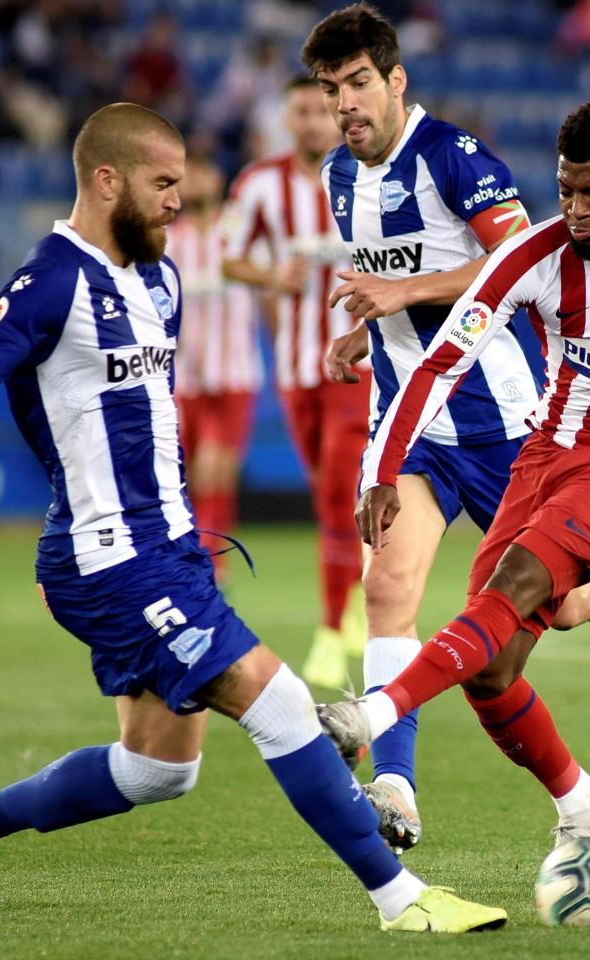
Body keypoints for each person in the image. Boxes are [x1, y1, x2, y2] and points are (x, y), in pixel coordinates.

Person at [0, 103, 506, 934]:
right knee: (277, 705)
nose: (181, 199)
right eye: (163, 184)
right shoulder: (52, 277)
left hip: (167, 550)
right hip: (109, 560)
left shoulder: (160, 279)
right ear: (107, 180)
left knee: (157, 770)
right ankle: (403, 899)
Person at [318, 100, 590, 850]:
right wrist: (383, 465)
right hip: (545, 458)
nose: (574, 209)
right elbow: (444, 359)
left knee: (512, 586)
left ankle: (375, 717)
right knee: (492, 670)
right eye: (566, 189)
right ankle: (583, 799)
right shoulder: (534, 258)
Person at [219, 76, 367, 681]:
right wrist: (267, 279)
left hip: (356, 364)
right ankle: (354, 590)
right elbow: (227, 256)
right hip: (293, 366)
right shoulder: (259, 184)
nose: (310, 122)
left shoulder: (368, 177)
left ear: (336, 114)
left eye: (318, 111)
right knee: (329, 493)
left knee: (336, 494)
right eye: (299, 112)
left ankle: (331, 632)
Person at [168, 154, 263, 576]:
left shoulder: (240, 234)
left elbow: (270, 289)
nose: (198, 179)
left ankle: (209, 560)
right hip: (186, 375)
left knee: (215, 469)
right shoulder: (169, 241)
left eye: (204, 168)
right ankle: (195, 554)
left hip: (234, 371)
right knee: (187, 471)